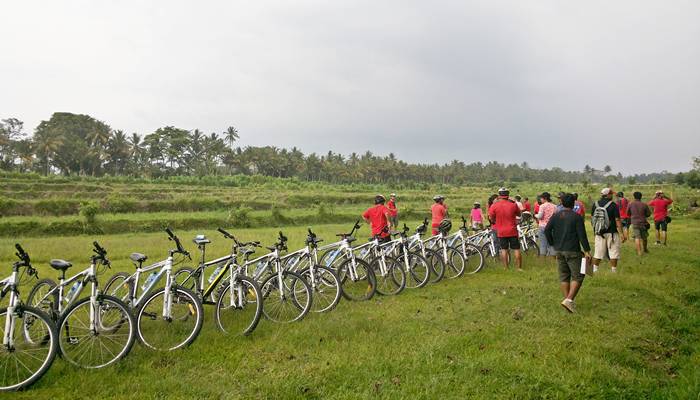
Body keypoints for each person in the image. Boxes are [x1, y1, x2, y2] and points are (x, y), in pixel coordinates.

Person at [544, 193, 591, 313]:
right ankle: (569, 300)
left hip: (559, 250)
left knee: (564, 276)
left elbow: (547, 230)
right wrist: (587, 251)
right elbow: (582, 236)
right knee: (579, 276)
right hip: (573, 250)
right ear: (573, 203)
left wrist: (553, 244)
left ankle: (567, 301)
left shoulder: (555, 216)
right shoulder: (577, 217)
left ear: (562, 202)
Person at [591, 188, 626, 273]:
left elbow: (593, 219)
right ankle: (613, 270)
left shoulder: (595, 204)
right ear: (608, 195)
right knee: (613, 251)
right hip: (612, 232)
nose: (612, 196)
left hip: (599, 232)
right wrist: (621, 234)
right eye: (611, 194)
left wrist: (596, 230)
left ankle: (595, 269)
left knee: (598, 252)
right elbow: (617, 220)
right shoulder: (613, 205)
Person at [488, 188, 522, 271]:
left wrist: (495, 221)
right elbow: (519, 214)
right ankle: (519, 268)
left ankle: (506, 268)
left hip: (501, 231)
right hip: (512, 230)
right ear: (508, 195)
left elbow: (491, 218)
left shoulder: (494, 205)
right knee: (516, 249)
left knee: (504, 249)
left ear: (499, 195)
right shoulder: (513, 204)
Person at [627, 191, 651, 255]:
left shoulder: (630, 204)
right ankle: (645, 249)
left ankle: (639, 252)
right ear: (641, 197)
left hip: (634, 223)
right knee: (644, 237)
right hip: (643, 223)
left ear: (634, 197)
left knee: (637, 238)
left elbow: (628, 213)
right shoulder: (644, 204)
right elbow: (648, 214)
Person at [535, 192, 557, 258]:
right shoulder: (554, 206)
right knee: (551, 243)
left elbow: (540, 216)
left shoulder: (542, 206)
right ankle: (553, 257)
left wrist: (535, 215)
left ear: (545, 198)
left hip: (543, 226)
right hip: (552, 227)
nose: (540, 199)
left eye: (541, 198)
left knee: (543, 243)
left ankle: (542, 258)